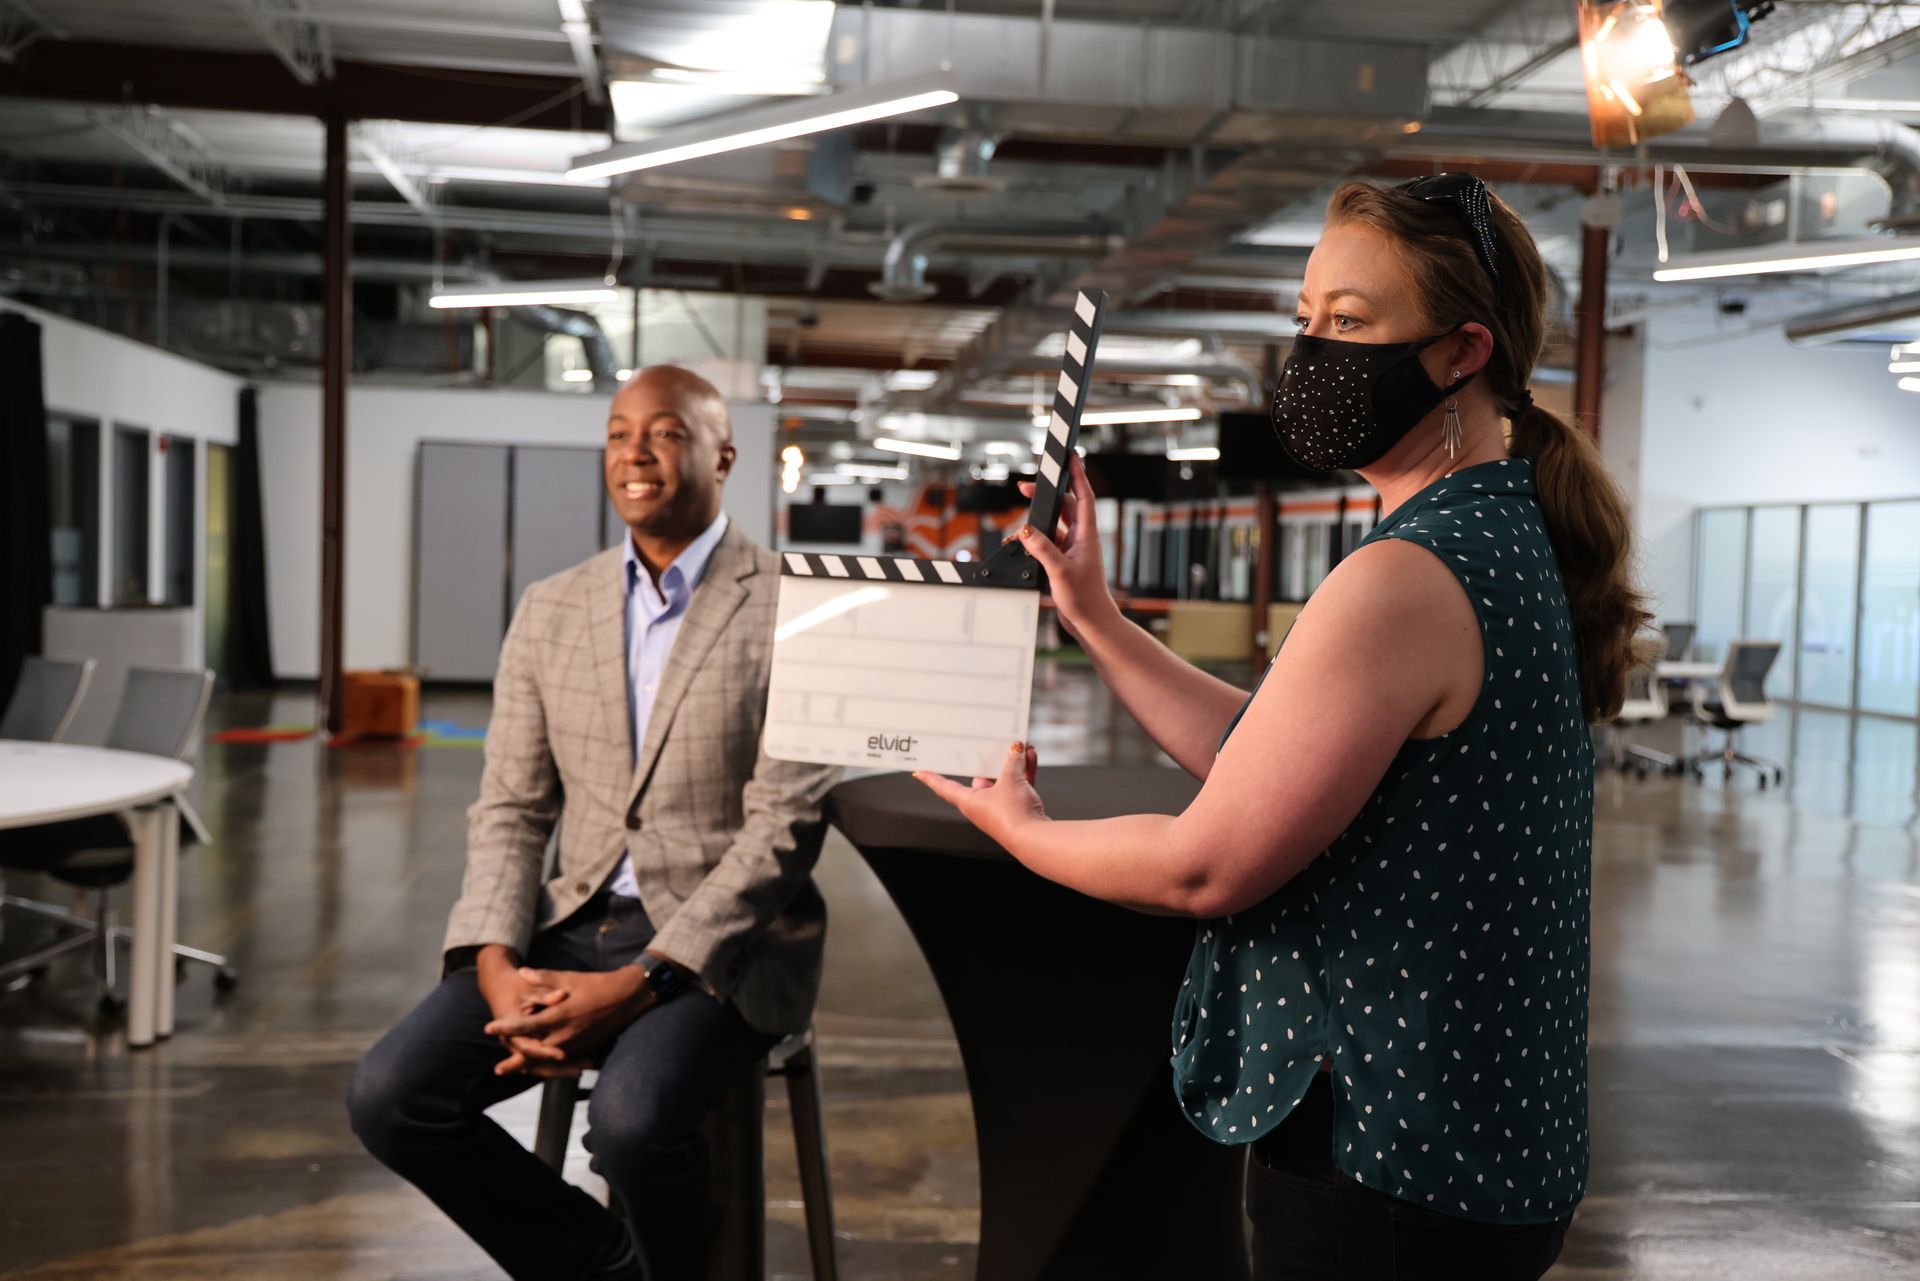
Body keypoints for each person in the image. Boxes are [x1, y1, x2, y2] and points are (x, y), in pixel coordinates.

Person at [917, 173, 1648, 1280]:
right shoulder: (1499, 533)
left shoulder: (1404, 576)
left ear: (1463, 350)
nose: (1311, 352)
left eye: (1350, 322)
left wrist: (1018, 829)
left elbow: (1206, 866)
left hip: (1385, 1161)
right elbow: (1276, 757)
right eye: (1305, 320)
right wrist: (1099, 621)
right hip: (1481, 1150)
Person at [347, 366, 840, 1281]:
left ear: (724, 456)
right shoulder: (552, 606)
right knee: (390, 1095)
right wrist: (494, 964)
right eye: (618, 433)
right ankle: (604, 1266)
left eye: (664, 432)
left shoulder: (796, 604)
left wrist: (644, 981)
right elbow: (512, 805)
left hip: (726, 948)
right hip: (573, 924)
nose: (635, 453)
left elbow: (785, 825)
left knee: (631, 1121)